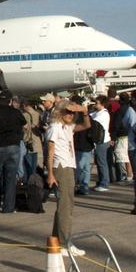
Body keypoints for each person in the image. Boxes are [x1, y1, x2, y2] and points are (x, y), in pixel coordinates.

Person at [47, 100, 90, 255]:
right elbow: (50, 150)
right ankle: (65, 243)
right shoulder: (55, 127)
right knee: (66, 205)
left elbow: (86, 126)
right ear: (60, 112)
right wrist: (50, 173)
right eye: (68, 112)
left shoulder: (67, 127)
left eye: (73, 113)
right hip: (61, 166)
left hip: (68, 165)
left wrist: (84, 111)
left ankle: (55, 240)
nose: (71, 115)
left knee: (65, 205)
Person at [0, 92, 27, 214]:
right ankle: (8, 206)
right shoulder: (16, 113)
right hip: (12, 146)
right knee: (10, 177)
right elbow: (25, 125)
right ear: (10, 101)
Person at [90, 95, 112, 192]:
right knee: (99, 162)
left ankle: (104, 183)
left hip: (102, 141)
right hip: (99, 140)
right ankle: (101, 182)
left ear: (102, 104)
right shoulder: (97, 112)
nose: (95, 105)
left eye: (97, 103)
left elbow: (91, 120)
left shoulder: (103, 114)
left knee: (102, 162)